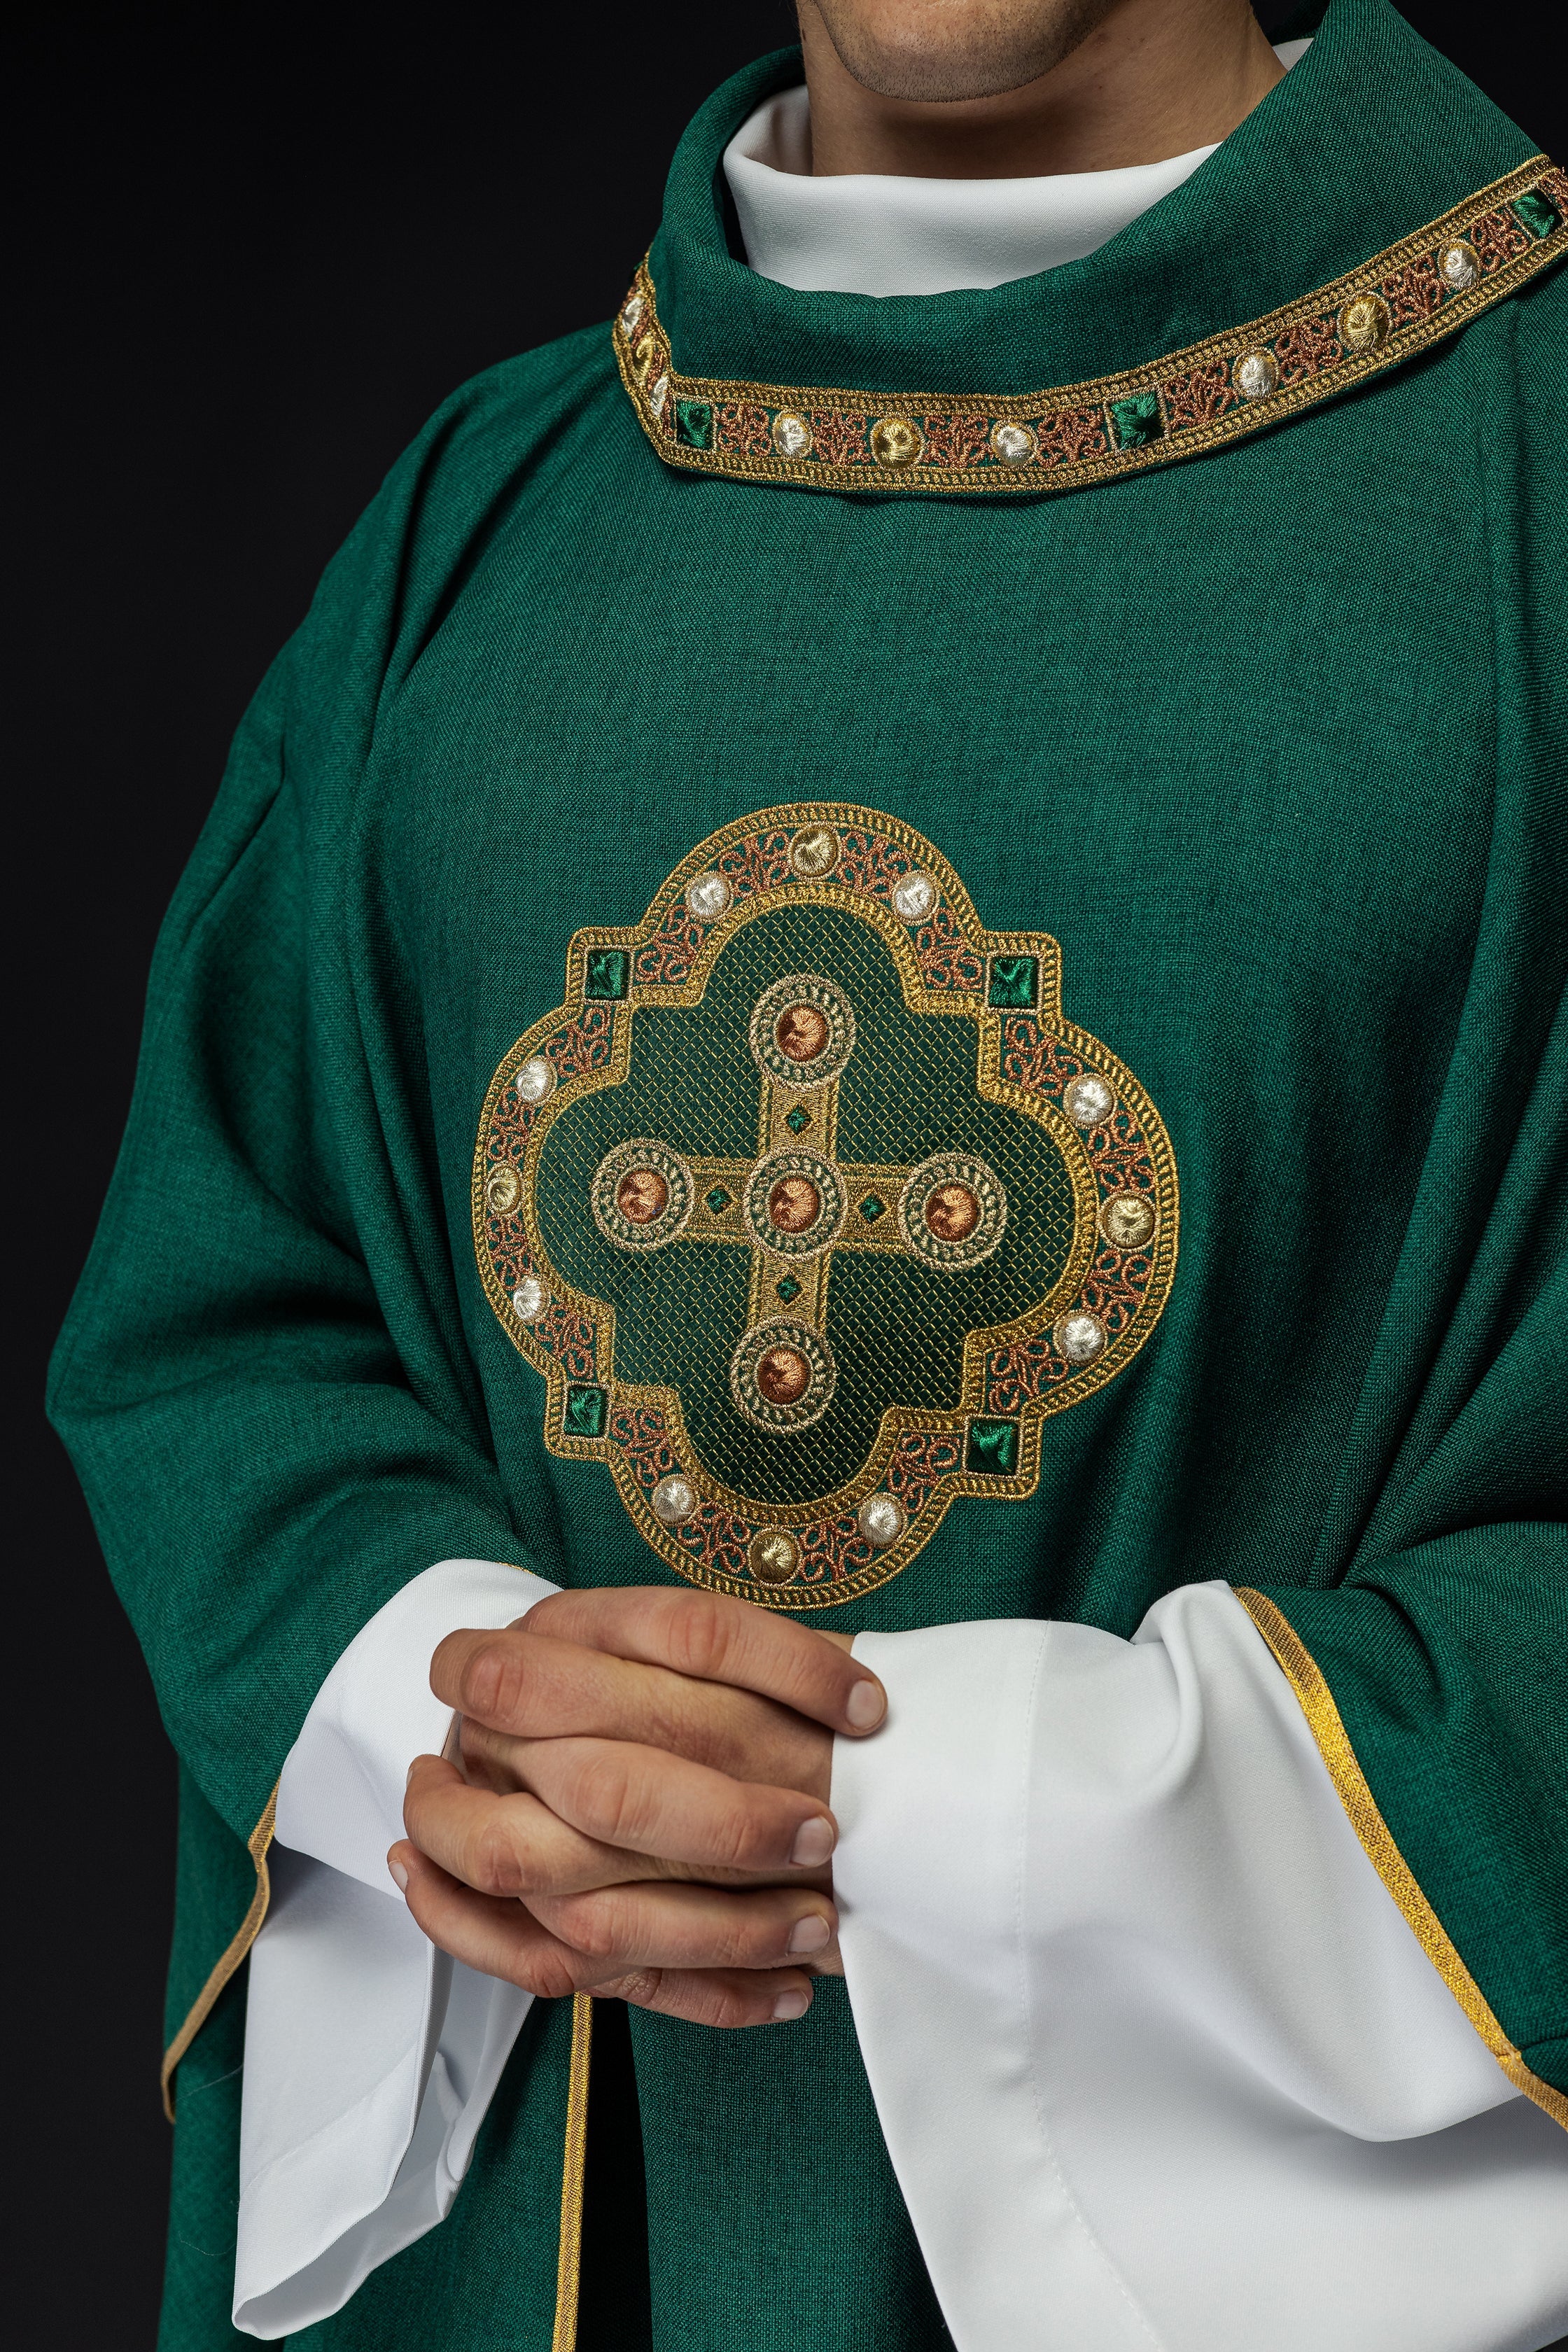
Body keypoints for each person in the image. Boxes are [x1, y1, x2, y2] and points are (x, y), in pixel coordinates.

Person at [48, 0, 1568, 2344]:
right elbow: (224, 1313)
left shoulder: (1536, 483)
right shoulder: (477, 521)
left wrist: (993, 1809)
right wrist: (433, 1705)